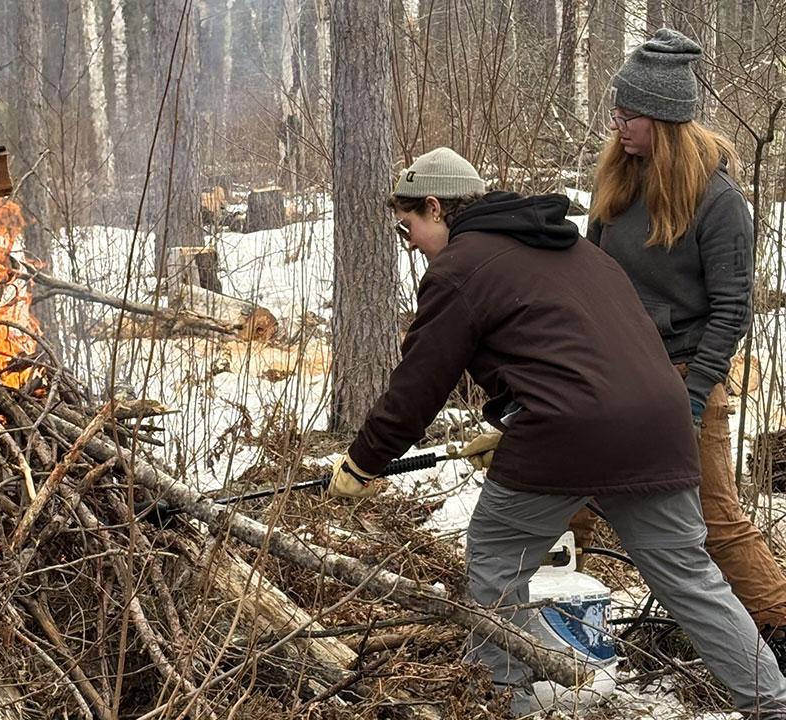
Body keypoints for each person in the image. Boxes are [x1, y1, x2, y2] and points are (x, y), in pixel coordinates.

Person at [328, 147, 786, 717]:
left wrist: (363, 461)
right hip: (658, 423)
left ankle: (506, 698)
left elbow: (418, 386)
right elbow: (574, 352)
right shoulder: (570, 248)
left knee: (496, 560)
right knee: (692, 580)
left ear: (435, 207)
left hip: (569, 432)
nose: (413, 244)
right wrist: (512, 420)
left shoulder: (459, 267)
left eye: (409, 229)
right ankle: (773, 702)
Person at [577, 27, 786, 667]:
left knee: (715, 521)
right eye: (616, 111)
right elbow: (591, 275)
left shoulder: (718, 201)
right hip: (610, 380)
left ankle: (779, 626)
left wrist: (691, 397)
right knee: (567, 498)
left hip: (683, 375)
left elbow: (731, 310)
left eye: (628, 114)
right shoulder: (617, 183)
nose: (616, 124)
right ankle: (548, 627)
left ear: (664, 122)